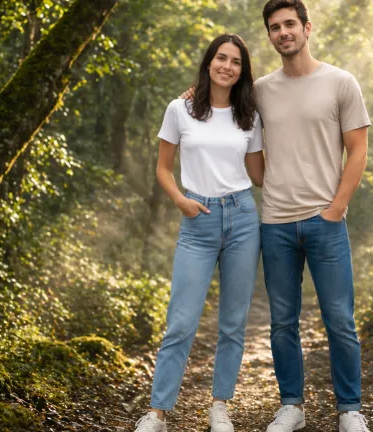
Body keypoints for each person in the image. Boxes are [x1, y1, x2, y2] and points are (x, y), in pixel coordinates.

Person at [133, 33, 265, 432]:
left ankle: (220, 407)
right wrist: (180, 200)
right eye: (221, 58)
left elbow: (259, 175)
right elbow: (162, 167)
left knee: (233, 322)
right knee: (181, 320)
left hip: (243, 217)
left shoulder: (250, 115)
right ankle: (157, 412)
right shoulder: (181, 108)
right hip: (198, 217)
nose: (227, 66)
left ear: (243, 71)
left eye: (236, 62)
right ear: (209, 63)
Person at [252, 1, 372, 431]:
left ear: (306, 27)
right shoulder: (261, 89)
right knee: (282, 321)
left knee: (339, 319)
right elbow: (221, 102)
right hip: (276, 224)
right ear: (269, 36)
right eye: (274, 27)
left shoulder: (341, 82)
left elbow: (357, 150)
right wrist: (193, 95)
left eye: (289, 24)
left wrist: (336, 207)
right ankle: (292, 407)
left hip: (327, 222)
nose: (282, 32)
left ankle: (350, 410)